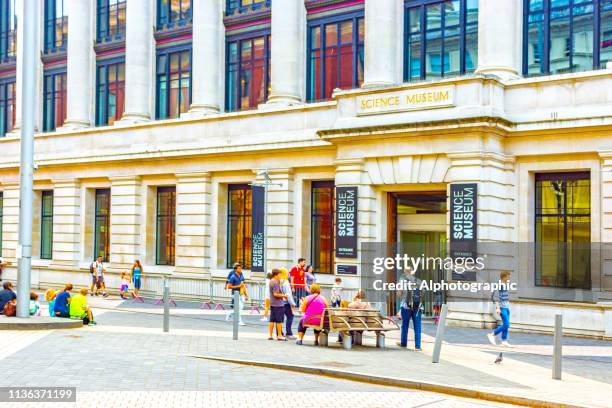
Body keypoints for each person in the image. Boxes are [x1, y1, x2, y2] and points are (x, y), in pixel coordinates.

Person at [396, 268, 423, 351]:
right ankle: (417, 346)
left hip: (406, 307)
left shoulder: (402, 281)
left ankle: (403, 344)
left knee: (405, 325)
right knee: (417, 326)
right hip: (418, 307)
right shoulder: (419, 281)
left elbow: (399, 294)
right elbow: (422, 293)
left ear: (405, 272)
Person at [488, 271, 513, 348]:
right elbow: (495, 297)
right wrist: (498, 308)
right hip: (502, 307)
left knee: (506, 324)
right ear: (504, 277)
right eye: (508, 276)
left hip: (506, 307)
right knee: (506, 324)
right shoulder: (499, 285)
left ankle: (504, 340)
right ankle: (492, 334)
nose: (509, 278)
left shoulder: (505, 284)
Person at [268, 269, 288, 341]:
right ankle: (279, 335)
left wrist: (280, 282)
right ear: (276, 275)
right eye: (280, 274)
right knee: (279, 321)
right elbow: (276, 294)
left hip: (273, 303)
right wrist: (284, 296)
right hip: (278, 304)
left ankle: (270, 335)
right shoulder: (275, 282)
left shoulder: (272, 281)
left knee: (272, 320)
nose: (280, 276)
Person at [279, 268, 296, 340]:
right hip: (286, 303)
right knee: (290, 316)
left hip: (279, 302)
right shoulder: (286, 283)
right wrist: (292, 303)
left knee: (279, 318)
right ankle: (288, 333)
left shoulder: (279, 281)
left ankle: (279, 333)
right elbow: (288, 294)